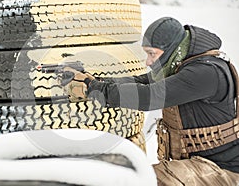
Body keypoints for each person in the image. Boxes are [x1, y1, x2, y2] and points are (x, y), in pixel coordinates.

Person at [61, 17, 239, 185]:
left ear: (172, 48)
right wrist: (96, 81)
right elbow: (141, 81)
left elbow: (149, 96)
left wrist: (94, 89)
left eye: (152, 54)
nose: (148, 62)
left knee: (141, 180)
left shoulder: (206, 72)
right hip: (198, 164)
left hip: (222, 170)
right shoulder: (180, 64)